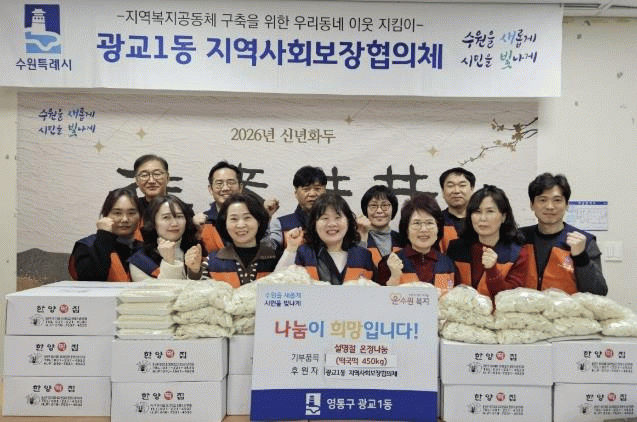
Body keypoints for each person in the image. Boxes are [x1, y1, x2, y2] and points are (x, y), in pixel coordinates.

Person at [521, 173, 607, 295]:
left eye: (557, 200)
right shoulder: (519, 238)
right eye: (543, 200)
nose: (550, 206)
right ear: (532, 205)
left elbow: (598, 292)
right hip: (526, 307)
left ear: (567, 205)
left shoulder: (584, 241)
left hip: (569, 307)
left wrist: (580, 256)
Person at [447, 185, 529, 299]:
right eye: (477, 212)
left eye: (490, 211)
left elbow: (511, 299)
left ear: (504, 217)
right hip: (461, 310)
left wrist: (492, 271)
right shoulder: (455, 248)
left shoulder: (517, 254)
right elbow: (448, 290)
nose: (483, 218)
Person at [276, 192, 374, 284]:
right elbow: (277, 284)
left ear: (348, 221)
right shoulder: (304, 253)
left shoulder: (363, 255)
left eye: (338, 217)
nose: (332, 224)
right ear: (314, 224)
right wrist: (291, 249)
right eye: (325, 218)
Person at [377, 193, 456, 291]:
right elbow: (378, 299)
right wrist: (394, 278)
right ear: (406, 229)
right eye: (416, 223)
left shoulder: (448, 263)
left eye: (429, 223)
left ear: (438, 228)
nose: (423, 229)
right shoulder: (389, 263)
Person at [196, 161, 279, 254]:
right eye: (219, 183)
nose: (225, 188)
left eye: (231, 182)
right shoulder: (202, 223)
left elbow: (268, 253)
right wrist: (193, 230)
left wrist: (265, 217)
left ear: (240, 187)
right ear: (210, 189)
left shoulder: (255, 218)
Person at [68, 188, 143, 281]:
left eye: (131, 213)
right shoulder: (87, 245)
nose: (125, 219)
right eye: (117, 213)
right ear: (105, 215)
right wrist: (104, 236)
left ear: (140, 216)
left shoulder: (143, 249)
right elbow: (89, 280)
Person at [208, 193, 277, 287]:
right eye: (234, 219)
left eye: (247, 218)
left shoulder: (277, 258)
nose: (240, 225)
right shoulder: (211, 261)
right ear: (225, 223)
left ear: (259, 221)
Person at [128, 195, 204, 281]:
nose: (174, 223)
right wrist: (169, 263)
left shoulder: (195, 250)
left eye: (179, 216)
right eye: (166, 217)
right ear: (153, 222)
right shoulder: (139, 261)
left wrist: (194, 273)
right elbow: (167, 289)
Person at [267, 165, 327, 251]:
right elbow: (267, 252)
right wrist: (265, 217)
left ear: (325, 191)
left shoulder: (335, 223)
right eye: (306, 189)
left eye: (317, 189)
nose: (312, 194)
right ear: (296, 193)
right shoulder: (281, 224)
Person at [357, 185, 404, 266]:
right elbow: (356, 267)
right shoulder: (356, 238)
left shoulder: (402, 240)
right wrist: (362, 240)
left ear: (393, 209)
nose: (379, 211)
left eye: (385, 206)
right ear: (365, 210)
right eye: (373, 206)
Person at [438, 167, 476, 253]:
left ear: (472, 189)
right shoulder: (436, 221)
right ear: (443, 192)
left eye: (462, 185)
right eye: (450, 186)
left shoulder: (481, 221)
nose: (456, 191)